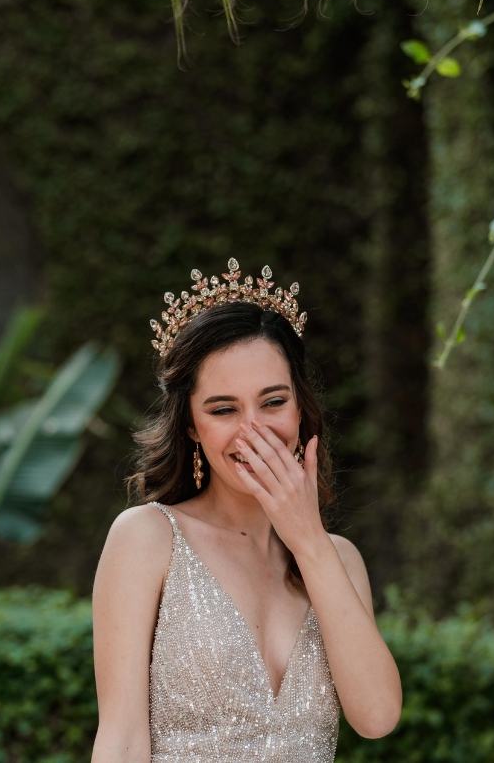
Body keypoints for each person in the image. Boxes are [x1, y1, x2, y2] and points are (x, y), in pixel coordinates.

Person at [91, 258, 402, 762]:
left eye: (273, 402)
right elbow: (122, 740)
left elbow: (378, 716)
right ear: (191, 425)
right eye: (223, 409)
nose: (253, 431)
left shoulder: (338, 560)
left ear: (300, 408)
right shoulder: (147, 539)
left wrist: (307, 539)